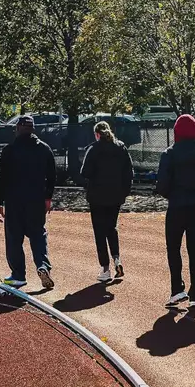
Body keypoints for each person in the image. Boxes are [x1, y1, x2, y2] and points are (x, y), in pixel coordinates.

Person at [155, 113, 195, 310]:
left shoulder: (169, 154)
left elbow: (162, 185)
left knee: (173, 248)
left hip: (176, 206)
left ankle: (176, 289)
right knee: (194, 249)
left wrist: (173, 194)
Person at [0, 115, 57, 290]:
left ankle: (18, 275)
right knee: (38, 235)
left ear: (18, 128)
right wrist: (48, 197)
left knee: (14, 238)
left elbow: (2, 178)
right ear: (33, 129)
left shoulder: (10, 150)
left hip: (14, 201)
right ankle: (43, 266)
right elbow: (52, 176)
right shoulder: (44, 149)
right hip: (36, 200)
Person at [81, 120, 133, 282]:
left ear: (97, 134)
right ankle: (117, 259)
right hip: (116, 196)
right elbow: (129, 171)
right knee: (112, 228)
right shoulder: (121, 147)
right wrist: (124, 191)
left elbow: (85, 172)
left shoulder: (94, 149)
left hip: (97, 196)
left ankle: (105, 268)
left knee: (99, 232)